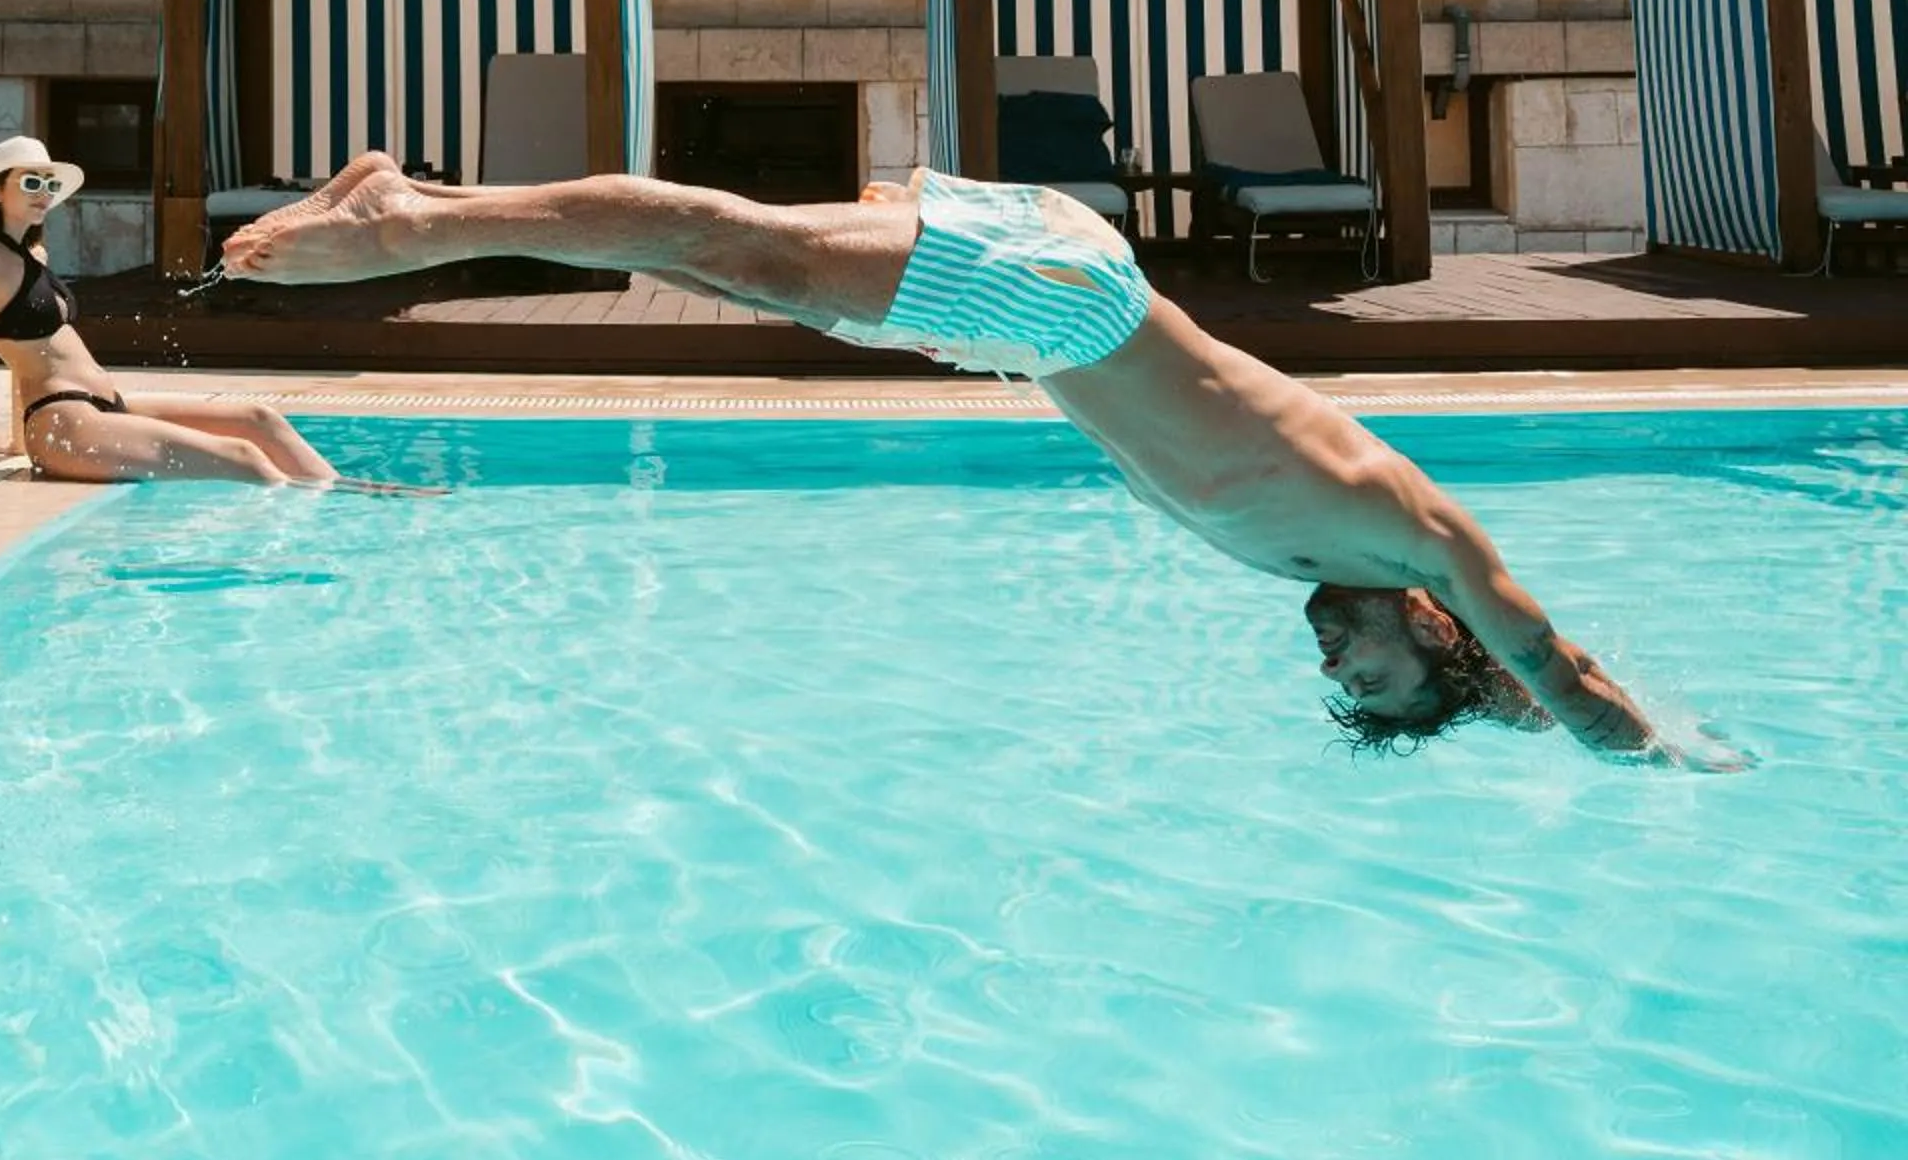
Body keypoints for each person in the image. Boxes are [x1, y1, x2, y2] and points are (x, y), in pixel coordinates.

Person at [223, 155, 1726, 763]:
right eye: (1372, 671)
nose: (1334, 658)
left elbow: (1512, 693)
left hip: (1042, 327)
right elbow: (1564, 668)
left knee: (749, 276)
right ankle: (415, 223)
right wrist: (1666, 764)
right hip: (1073, 305)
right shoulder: (1417, 535)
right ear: (1435, 629)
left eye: (1345, 686)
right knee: (732, 248)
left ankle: (420, 202)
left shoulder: (1319, 560)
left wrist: (1486, 721)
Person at [0, 135, 359, 487]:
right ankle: (323, 523)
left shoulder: (33, 254)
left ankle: (353, 495)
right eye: (31, 182)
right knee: (246, 460)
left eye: (49, 184)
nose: (44, 193)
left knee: (261, 421)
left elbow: (20, 345)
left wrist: (11, 439)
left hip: (105, 407)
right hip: (62, 422)